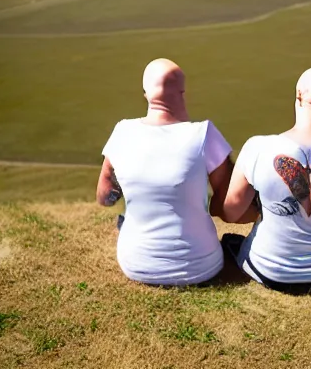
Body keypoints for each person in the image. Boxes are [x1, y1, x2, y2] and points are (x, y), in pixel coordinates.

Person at [215, 67, 311, 293]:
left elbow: (231, 213)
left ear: (299, 96)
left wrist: (264, 206)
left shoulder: (258, 147)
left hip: (272, 271)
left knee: (230, 241)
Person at [96, 58, 233, 286]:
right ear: (182, 92)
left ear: (146, 94)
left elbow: (105, 198)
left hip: (136, 265)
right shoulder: (204, 133)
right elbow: (230, 202)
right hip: (203, 266)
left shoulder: (122, 132)